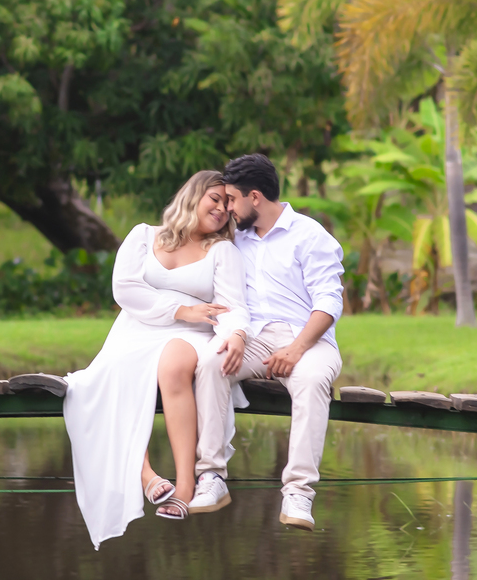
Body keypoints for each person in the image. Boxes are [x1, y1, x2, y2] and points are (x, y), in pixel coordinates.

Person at [63, 170, 251, 549]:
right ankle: (145, 475)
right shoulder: (144, 236)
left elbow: (233, 306)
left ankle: (185, 486)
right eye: (214, 199)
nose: (221, 209)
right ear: (192, 196)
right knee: (101, 380)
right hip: (136, 329)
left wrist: (235, 335)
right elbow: (124, 289)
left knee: (173, 365)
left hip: (192, 333)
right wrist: (179, 308)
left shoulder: (222, 251)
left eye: (227, 205)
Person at [188, 154, 345, 532]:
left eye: (231, 199)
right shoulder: (234, 239)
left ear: (254, 197)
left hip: (307, 338)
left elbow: (329, 301)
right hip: (253, 337)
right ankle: (211, 476)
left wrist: (297, 348)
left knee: (312, 381)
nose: (227, 208)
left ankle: (299, 492)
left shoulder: (310, 235)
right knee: (210, 363)